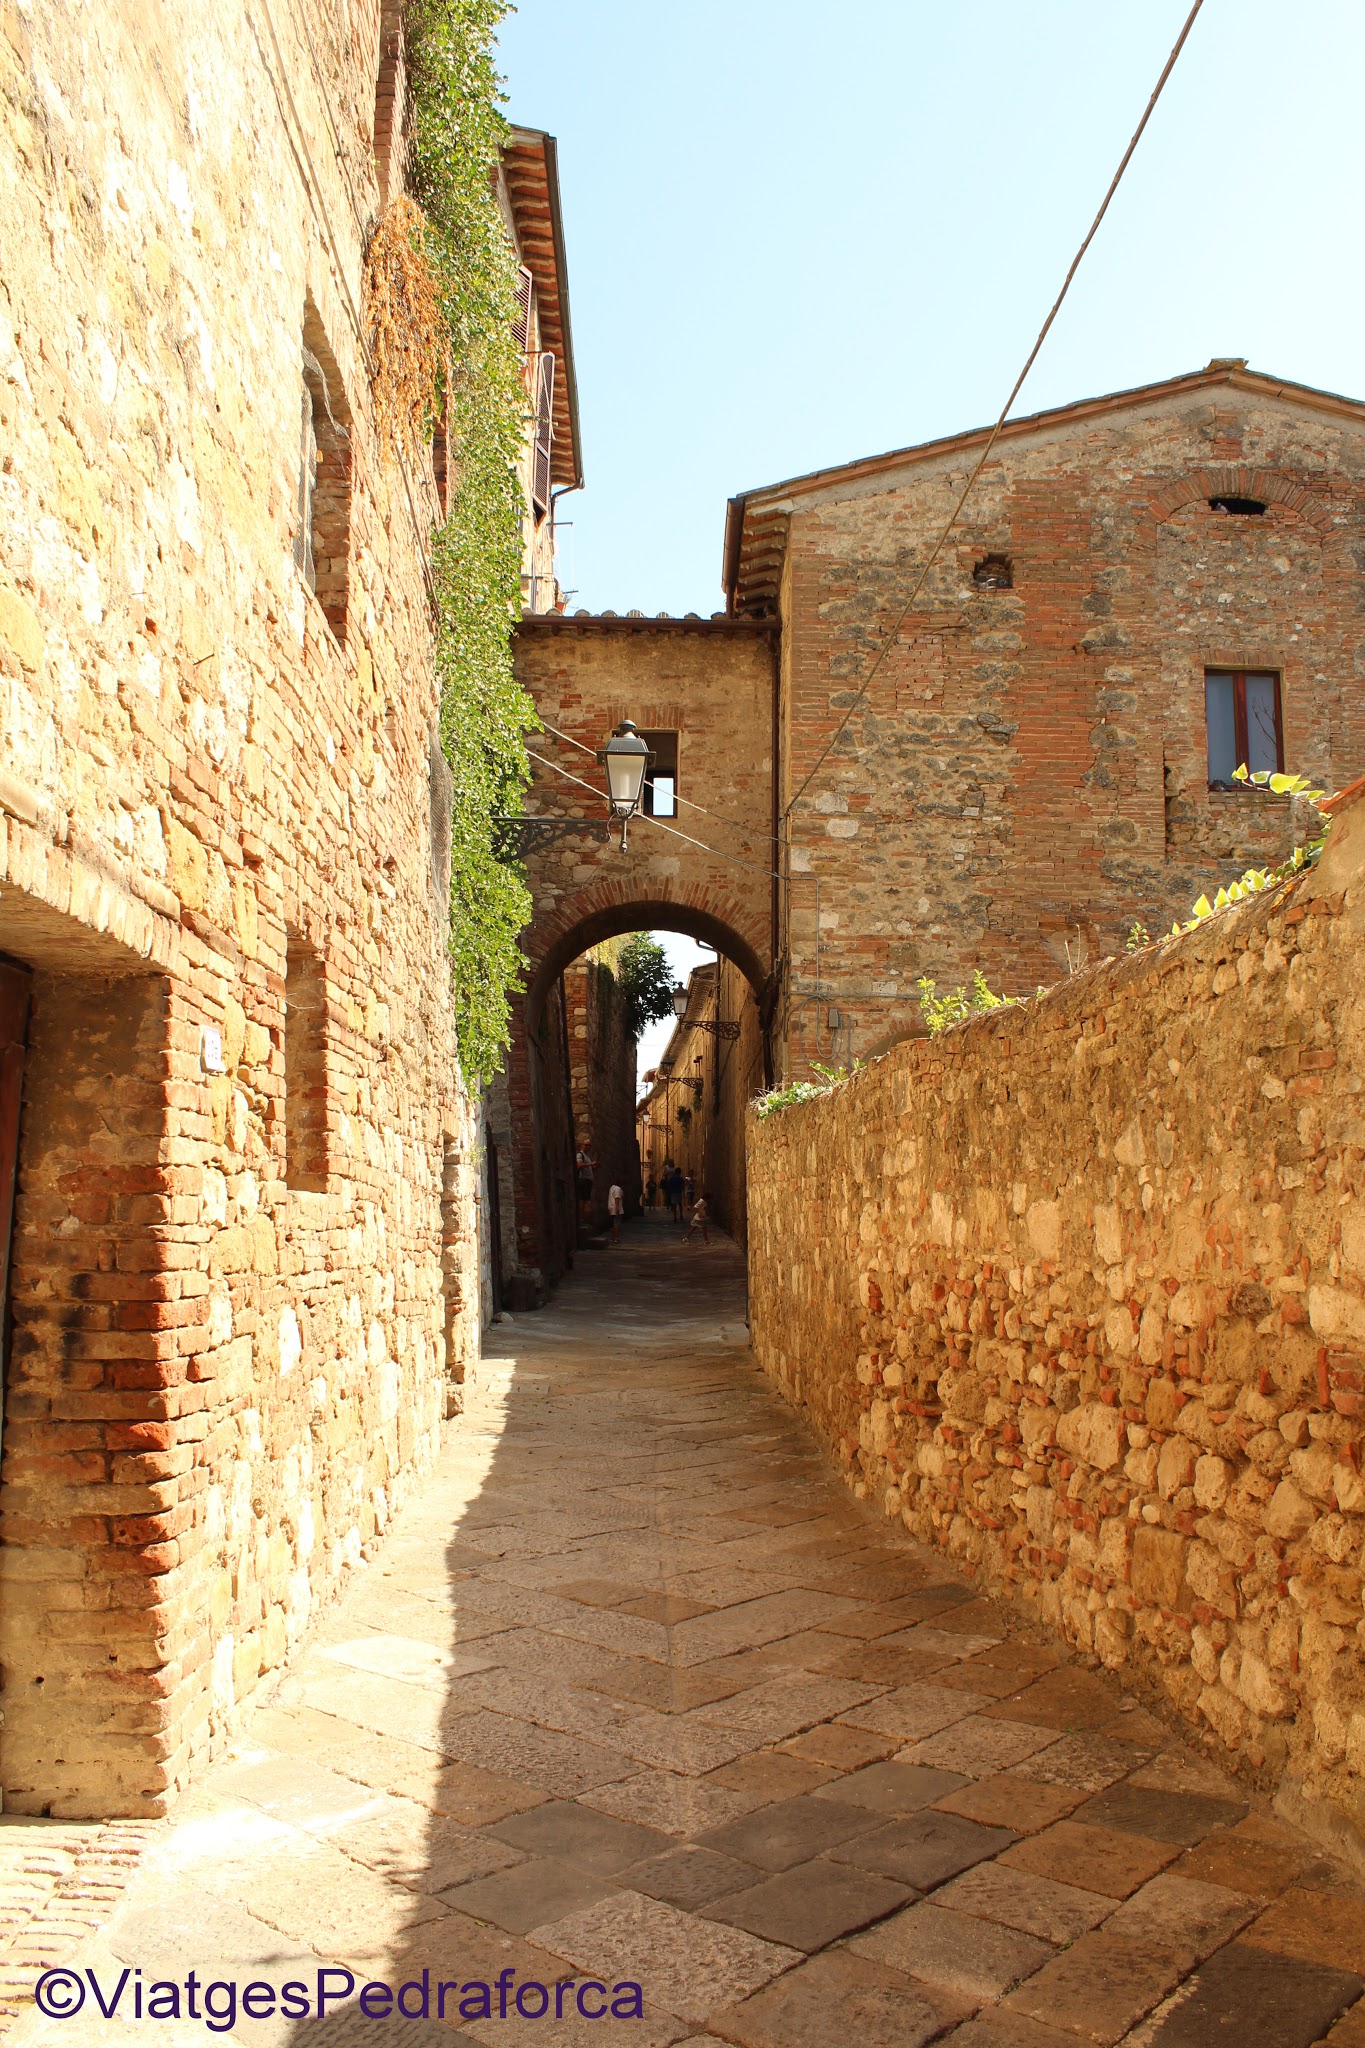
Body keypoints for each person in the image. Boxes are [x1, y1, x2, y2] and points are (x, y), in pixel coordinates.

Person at [575, 1140, 594, 1224]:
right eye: (586, 1145)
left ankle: (584, 1219)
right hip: (583, 1180)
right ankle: (581, 1219)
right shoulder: (580, 1154)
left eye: (589, 1145)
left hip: (588, 1180)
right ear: (581, 1145)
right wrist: (590, 1164)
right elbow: (579, 1165)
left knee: (586, 1200)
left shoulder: (587, 1156)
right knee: (582, 1200)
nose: (588, 1147)